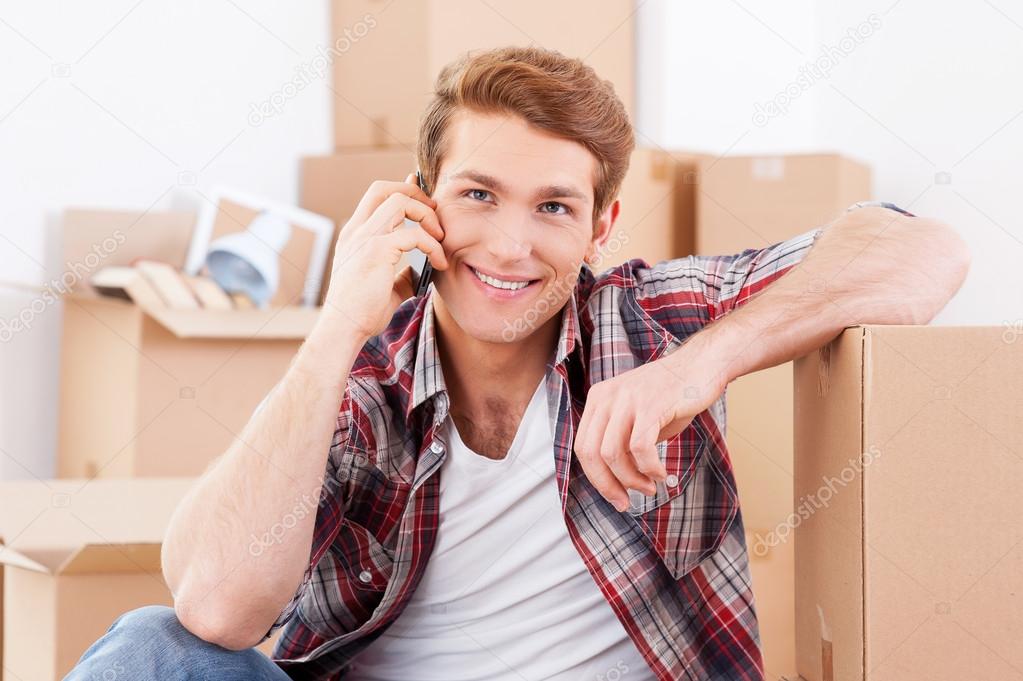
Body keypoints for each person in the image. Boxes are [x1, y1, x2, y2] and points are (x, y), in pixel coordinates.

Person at [67, 46, 969, 681]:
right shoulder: (362, 380)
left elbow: (918, 248)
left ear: (600, 227)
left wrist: (700, 367)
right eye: (477, 194)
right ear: (422, 203)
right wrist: (334, 326)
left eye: (551, 207)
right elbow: (218, 610)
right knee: (156, 644)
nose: (508, 245)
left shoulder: (647, 322)